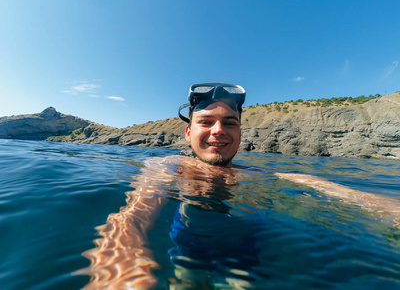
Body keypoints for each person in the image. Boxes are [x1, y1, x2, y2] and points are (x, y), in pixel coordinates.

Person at [79, 83, 400, 289]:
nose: (219, 130)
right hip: (191, 247)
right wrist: (120, 265)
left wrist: (386, 209)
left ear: (240, 133)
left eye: (229, 123)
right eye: (206, 122)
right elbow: (132, 216)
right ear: (188, 133)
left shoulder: (256, 174)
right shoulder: (168, 165)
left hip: (246, 250)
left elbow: (328, 188)